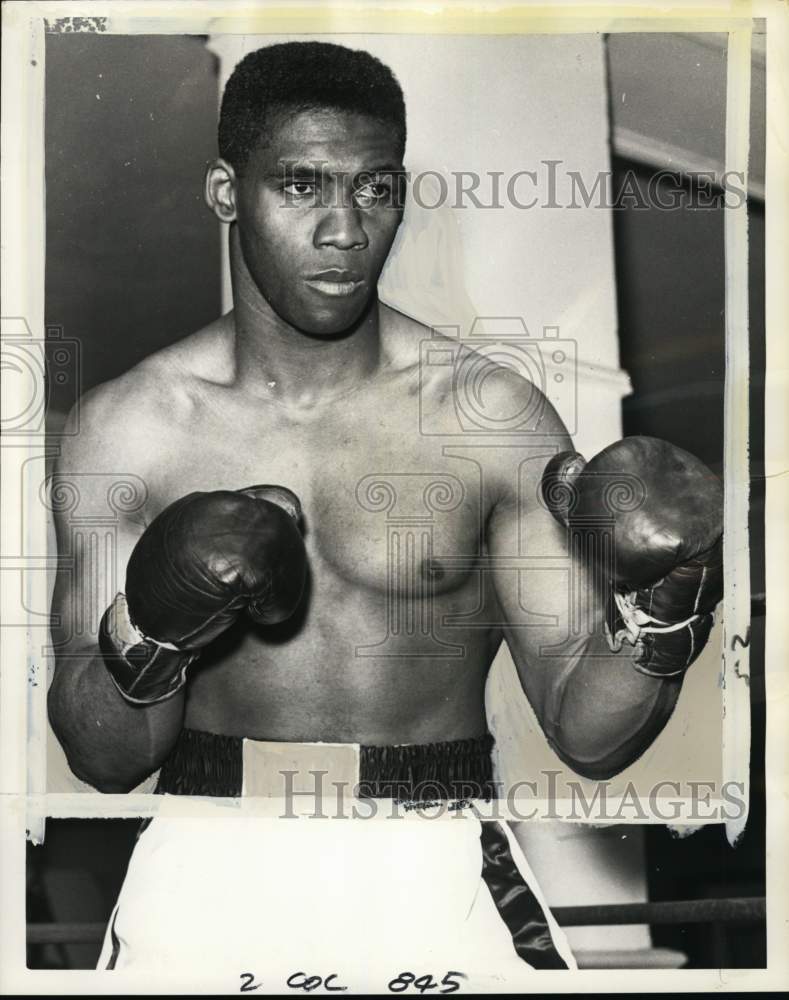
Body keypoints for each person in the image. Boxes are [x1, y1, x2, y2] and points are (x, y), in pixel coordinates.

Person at [47, 41, 723, 985]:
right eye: (300, 185)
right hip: (209, 858)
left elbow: (589, 730)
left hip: (432, 859)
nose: (342, 229)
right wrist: (150, 629)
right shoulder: (129, 429)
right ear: (224, 192)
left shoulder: (490, 417)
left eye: (374, 188)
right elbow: (102, 756)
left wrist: (665, 614)